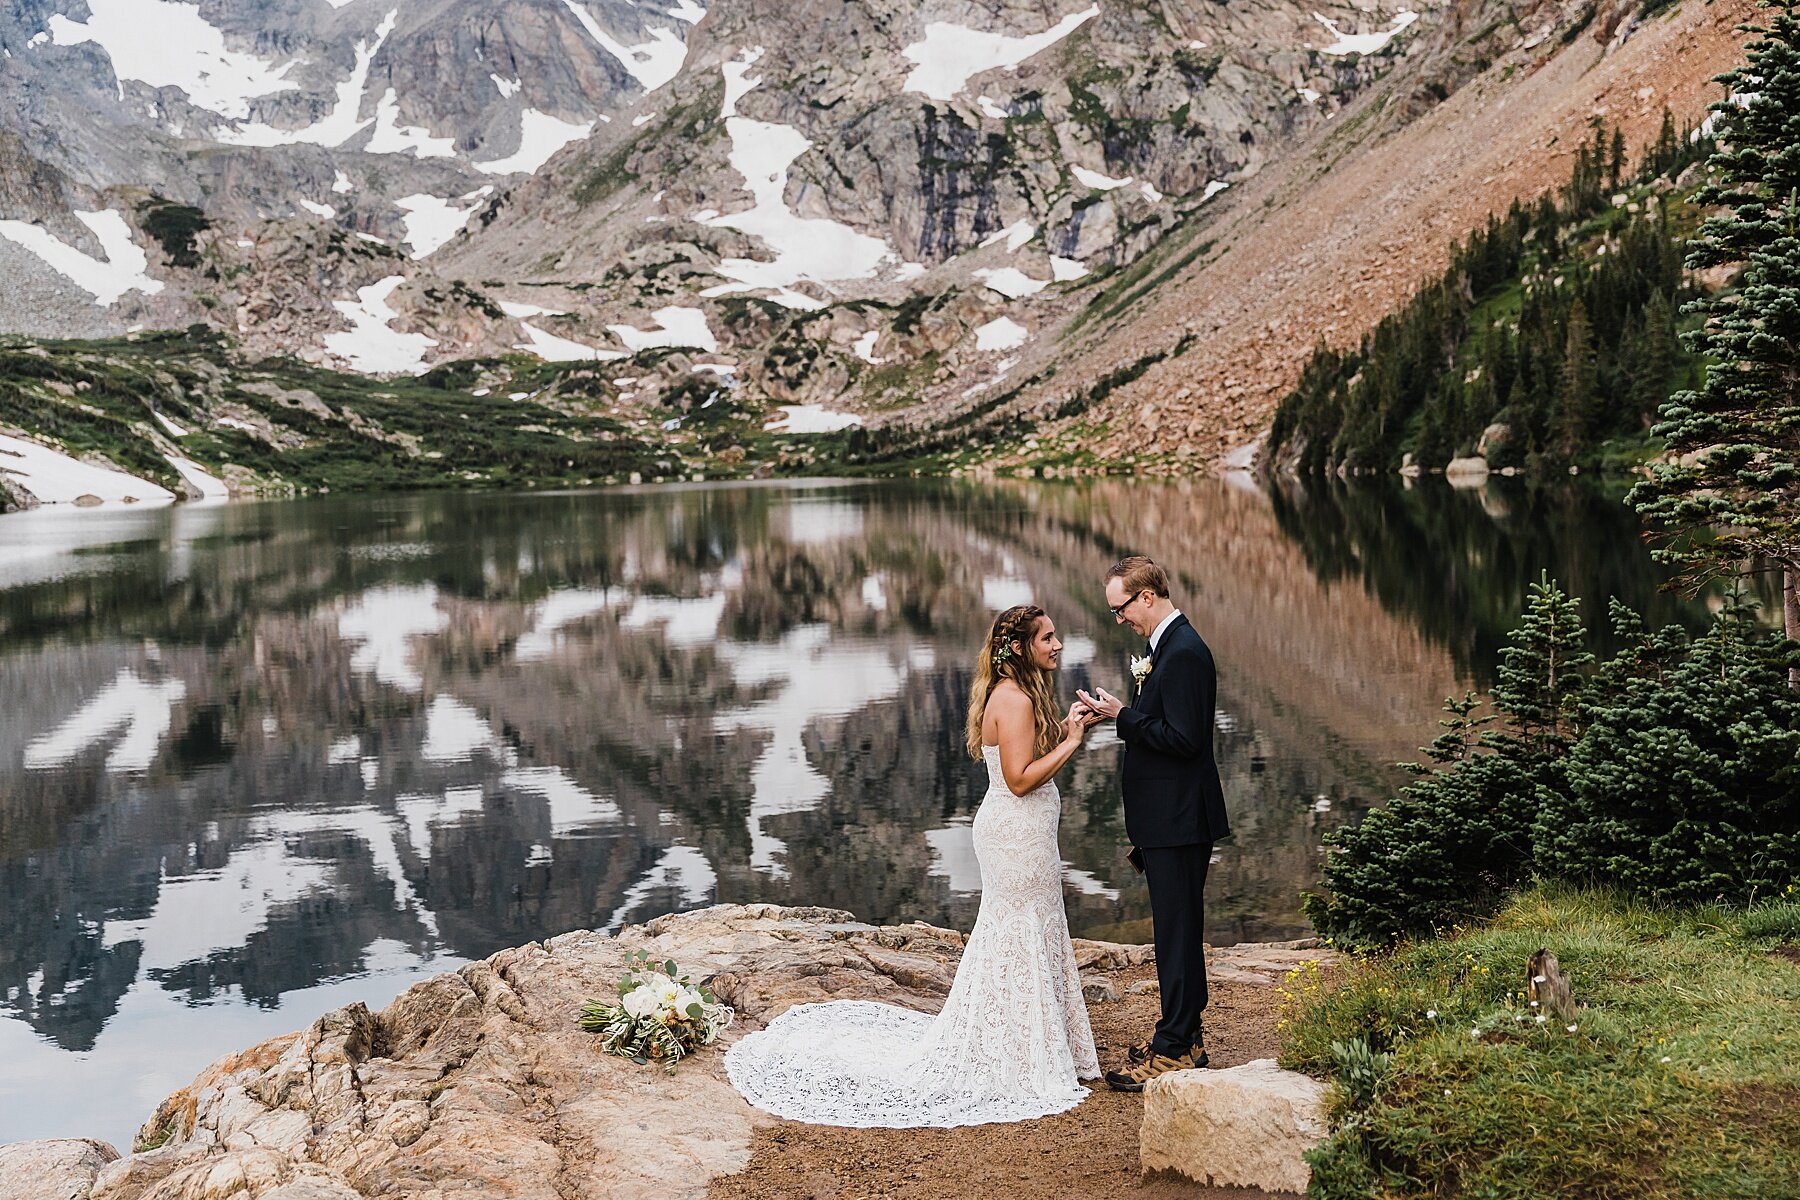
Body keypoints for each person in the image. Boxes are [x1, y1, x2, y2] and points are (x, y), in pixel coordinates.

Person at [725, 603, 1103, 1126]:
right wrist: (1075, 744)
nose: (1058, 645)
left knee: (1031, 926)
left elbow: (1024, 759)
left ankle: (1030, 1037)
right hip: (1016, 835)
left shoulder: (1016, 695)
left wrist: (1065, 728)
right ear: (1019, 648)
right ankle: (1017, 1046)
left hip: (1025, 836)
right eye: (1048, 638)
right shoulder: (1013, 699)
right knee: (1016, 928)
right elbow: (1018, 780)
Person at [1077, 555, 1231, 1091]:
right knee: (1174, 933)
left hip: (1181, 819)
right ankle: (1182, 1038)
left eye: (1121, 608)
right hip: (1168, 820)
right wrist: (1122, 714)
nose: (1118, 619)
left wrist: (1124, 716)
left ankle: (1176, 1049)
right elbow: (1164, 728)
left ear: (1147, 597)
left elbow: (1187, 740)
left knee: (1178, 934)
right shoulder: (1163, 647)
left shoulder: (1185, 652)